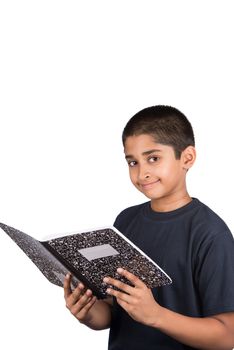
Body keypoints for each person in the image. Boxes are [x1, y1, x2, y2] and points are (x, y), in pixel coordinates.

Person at [64, 105, 234, 349]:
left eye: (153, 158)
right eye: (132, 162)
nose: (142, 173)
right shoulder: (125, 222)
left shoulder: (210, 234)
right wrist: (88, 312)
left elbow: (227, 336)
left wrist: (156, 315)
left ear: (187, 158)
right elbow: (114, 311)